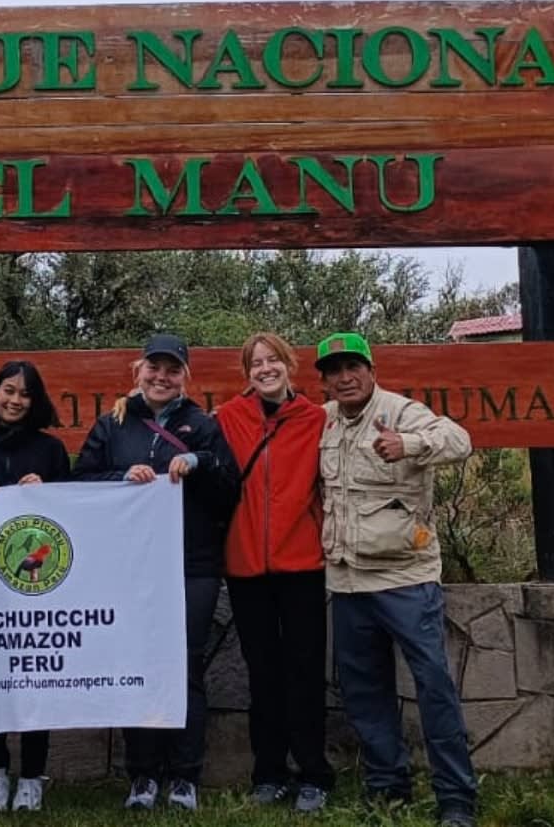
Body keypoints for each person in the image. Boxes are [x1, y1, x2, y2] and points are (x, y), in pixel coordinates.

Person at [315, 332, 478, 827]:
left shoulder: (402, 412)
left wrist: (408, 444)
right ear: (324, 381)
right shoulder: (322, 421)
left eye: (354, 367)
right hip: (347, 582)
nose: (345, 378)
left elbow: (460, 441)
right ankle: (387, 788)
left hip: (406, 579)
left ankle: (456, 798)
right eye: (334, 370)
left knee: (434, 688)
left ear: (371, 370)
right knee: (365, 695)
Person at [73, 333, 240, 812]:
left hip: (193, 565)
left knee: (186, 668)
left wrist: (200, 462)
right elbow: (80, 482)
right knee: (136, 666)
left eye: (172, 370)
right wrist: (121, 478)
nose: (161, 377)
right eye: (154, 368)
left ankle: (185, 776)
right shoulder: (112, 424)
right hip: (129, 569)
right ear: (138, 370)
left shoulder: (203, 425)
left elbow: (229, 489)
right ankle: (142, 775)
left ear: (185, 377)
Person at [215, 333, 335, 814]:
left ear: (289, 365)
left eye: (273, 360)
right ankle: (268, 772)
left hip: (302, 564)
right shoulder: (227, 418)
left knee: (305, 672)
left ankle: (314, 774)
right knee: (262, 673)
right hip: (245, 566)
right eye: (256, 363)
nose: (265, 369)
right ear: (247, 374)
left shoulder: (316, 419)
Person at [0, 360, 72, 812]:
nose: (15, 400)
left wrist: (48, 491)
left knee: (35, 675)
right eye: (8, 390)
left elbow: (75, 514)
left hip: (38, 587)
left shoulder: (53, 452)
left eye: (24, 393)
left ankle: (32, 775)